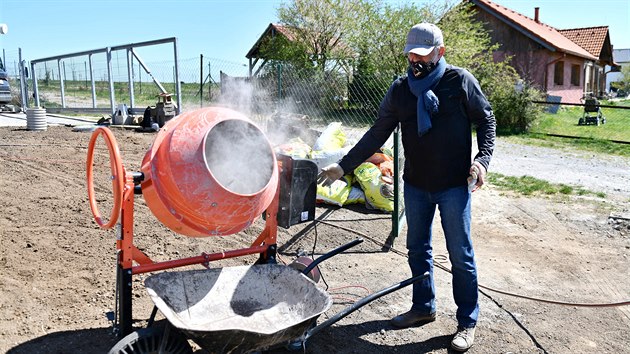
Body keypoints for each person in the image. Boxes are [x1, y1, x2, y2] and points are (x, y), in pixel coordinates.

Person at [317, 23, 496, 352]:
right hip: (415, 185)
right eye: (412, 53)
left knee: (461, 255)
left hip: (455, 186)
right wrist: (343, 165)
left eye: (423, 54)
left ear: (440, 52)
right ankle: (423, 307)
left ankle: (467, 320)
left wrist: (483, 160)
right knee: (417, 249)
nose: (416, 59)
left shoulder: (460, 81)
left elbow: (486, 119)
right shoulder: (400, 90)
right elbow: (376, 135)